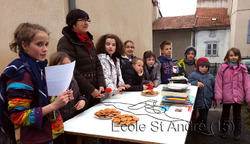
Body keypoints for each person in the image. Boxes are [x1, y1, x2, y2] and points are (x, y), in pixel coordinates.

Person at [0, 23, 73, 144]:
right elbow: (18, 117)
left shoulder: (39, 68)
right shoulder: (20, 75)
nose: (45, 49)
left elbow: (43, 100)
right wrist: (54, 105)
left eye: (46, 44)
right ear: (25, 45)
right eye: (39, 44)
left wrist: (61, 98)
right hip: (36, 139)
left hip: (51, 133)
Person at [57, 9, 106, 108]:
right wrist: (90, 90)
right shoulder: (65, 42)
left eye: (88, 20)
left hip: (95, 91)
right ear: (72, 22)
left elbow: (97, 63)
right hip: (79, 93)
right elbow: (71, 70)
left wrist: (101, 84)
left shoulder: (88, 41)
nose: (86, 23)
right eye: (82, 20)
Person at [49, 52, 87, 144]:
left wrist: (82, 101)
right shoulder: (49, 84)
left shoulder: (73, 82)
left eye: (68, 65)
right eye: (62, 65)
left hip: (72, 123)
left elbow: (79, 95)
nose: (66, 68)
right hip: (58, 127)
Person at [215, 48, 250, 141]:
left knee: (237, 116)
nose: (233, 57)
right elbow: (218, 83)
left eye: (235, 55)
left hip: (238, 96)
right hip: (227, 96)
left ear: (239, 56)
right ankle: (223, 131)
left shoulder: (243, 68)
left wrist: (248, 97)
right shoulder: (223, 67)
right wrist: (218, 96)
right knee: (225, 115)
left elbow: (247, 83)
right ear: (227, 56)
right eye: (231, 55)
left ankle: (237, 133)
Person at [96, 34, 130, 98]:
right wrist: (113, 89)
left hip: (115, 93)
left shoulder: (116, 59)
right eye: (108, 44)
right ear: (103, 45)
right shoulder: (101, 58)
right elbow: (105, 77)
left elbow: (119, 75)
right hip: (106, 94)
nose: (111, 47)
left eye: (113, 45)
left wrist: (122, 85)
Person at [188, 57, 216, 135]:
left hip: (207, 100)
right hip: (198, 100)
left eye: (206, 67)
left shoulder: (210, 77)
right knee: (204, 116)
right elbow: (187, 83)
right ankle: (203, 129)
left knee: (204, 115)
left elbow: (214, 88)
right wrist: (196, 83)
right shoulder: (193, 75)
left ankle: (196, 126)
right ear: (198, 67)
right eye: (202, 66)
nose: (204, 68)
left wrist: (214, 99)